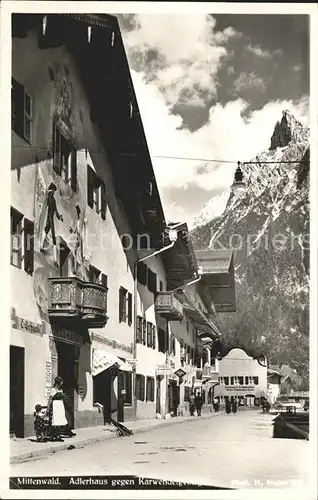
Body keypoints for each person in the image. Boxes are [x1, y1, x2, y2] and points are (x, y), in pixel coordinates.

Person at [40, 183, 63, 263]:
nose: (54, 192)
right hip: (49, 216)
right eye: (54, 190)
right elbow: (47, 207)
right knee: (52, 234)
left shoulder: (52, 198)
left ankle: (42, 246)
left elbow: (56, 211)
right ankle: (55, 259)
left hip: (51, 216)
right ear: (52, 189)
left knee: (47, 231)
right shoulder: (49, 196)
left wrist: (60, 217)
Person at [47, 376, 68, 441]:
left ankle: (58, 435)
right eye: (61, 381)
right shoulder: (53, 390)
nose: (62, 383)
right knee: (55, 421)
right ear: (59, 382)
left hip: (60, 406)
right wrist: (48, 408)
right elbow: (50, 399)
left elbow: (62, 399)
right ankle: (54, 436)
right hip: (55, 406)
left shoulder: (61, 390)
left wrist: (63, 407)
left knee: (59, 420)